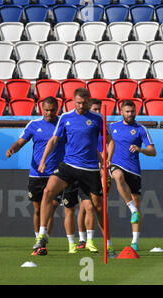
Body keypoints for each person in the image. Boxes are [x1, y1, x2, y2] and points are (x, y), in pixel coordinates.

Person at [34, 88, 117, 257]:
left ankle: (108, 246)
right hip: (69, 166)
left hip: (90, 169)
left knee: (99, 208)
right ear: (73, 101)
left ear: (89, 101)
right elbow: (54, 140)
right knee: (48, 191)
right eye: (77, 103)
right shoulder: (65, 117)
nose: (80, 106)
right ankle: (42, 235)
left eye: (84, 103)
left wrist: (108, 158)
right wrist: (42, 160)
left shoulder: (97, 118)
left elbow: (109, 141)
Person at [6, 97, 71, 247]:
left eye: (52, 110)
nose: (49, 113)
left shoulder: (63, 124)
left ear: (57, 109)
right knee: (37, 209)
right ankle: (38, 239)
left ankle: (44, 237)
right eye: (46, 110)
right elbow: (21, 142)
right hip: (37, 173)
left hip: (56, 173)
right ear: (41, 109)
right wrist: (12, 149)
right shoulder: (34, 125)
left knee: (52, 205)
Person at [109, 100, 156, 251]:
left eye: (132, 111)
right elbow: (103, 143)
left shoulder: (141, 129)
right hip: (116, 165)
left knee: (137, 203)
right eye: (127, 111)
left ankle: (135, 242)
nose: (130, 114)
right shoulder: (113, 127)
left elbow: (152, 151)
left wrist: (140, 149)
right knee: (117, 175)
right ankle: (132, 208)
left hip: (134, 170)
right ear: (121, 111)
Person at [76, 98, 105, 252]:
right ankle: (82, 239)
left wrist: (105, 165)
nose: (98, 112)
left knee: (97, 207)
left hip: (99, 170)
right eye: (94, 109)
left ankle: (102, 241)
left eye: (99, 109)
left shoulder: (100, 126)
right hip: (85, 169)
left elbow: (104, 148)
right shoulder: (86, 125)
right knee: (85, 206)